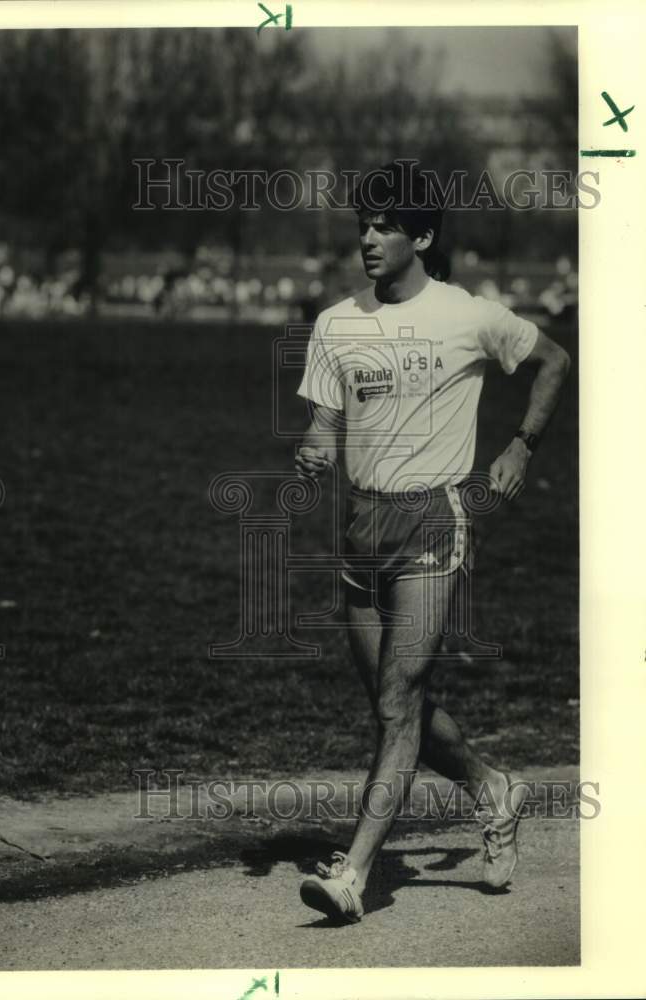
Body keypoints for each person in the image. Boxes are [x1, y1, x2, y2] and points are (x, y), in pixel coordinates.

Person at [294, 161, 571, 923]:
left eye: (384, 226)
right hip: (360, 528)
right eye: (362, 225)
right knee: (395, 706)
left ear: (421, 234)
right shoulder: (334, 324)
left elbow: (553, 361)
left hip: (431, 522)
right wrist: (314, 449)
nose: (367, 239)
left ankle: (352, 874)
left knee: (396, 697)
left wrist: (520, 445)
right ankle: (492, 787)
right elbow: (322, 424)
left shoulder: (466, 315)